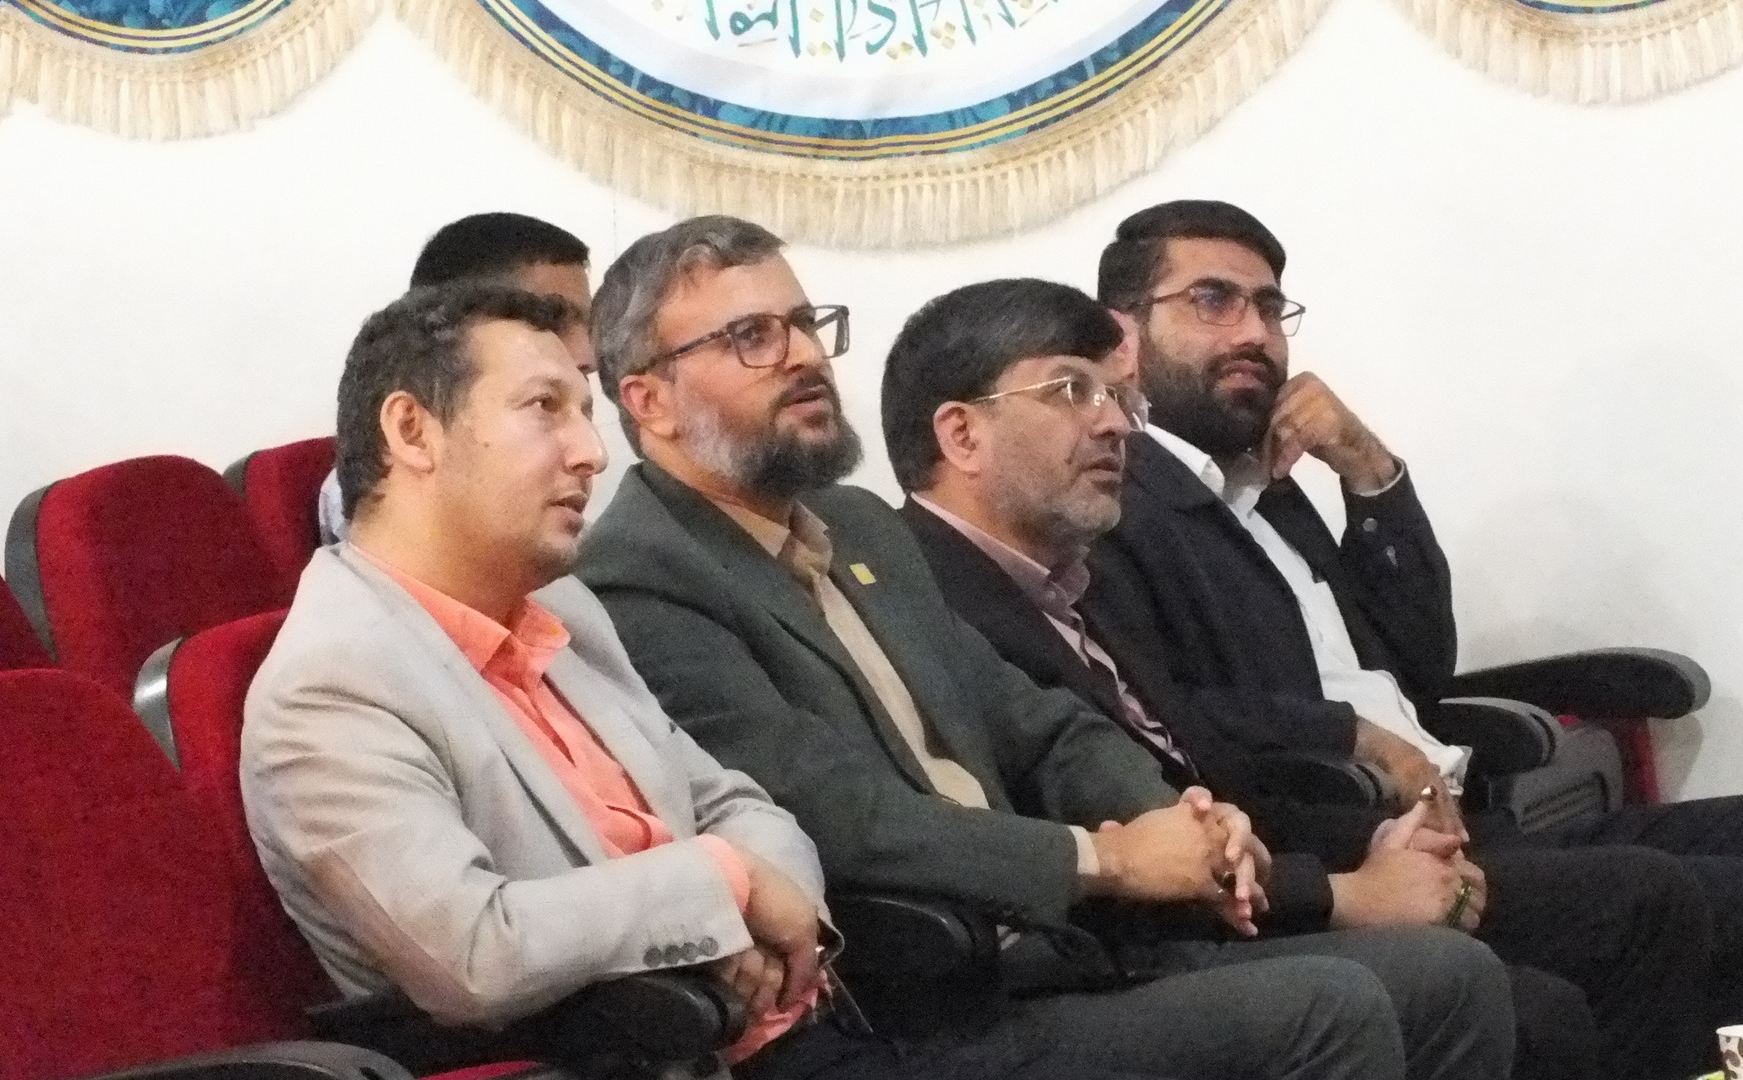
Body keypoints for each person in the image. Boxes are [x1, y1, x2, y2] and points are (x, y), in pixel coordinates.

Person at [573, 215, 1516, 1080]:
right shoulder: (640, 577)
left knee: (1448, 978)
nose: (804, 356)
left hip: (1036, 953)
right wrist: (1107, 859)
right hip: (899, 1007)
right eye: (751, 337)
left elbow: (1039, 720)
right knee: (1330, 1009)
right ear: (649, 400)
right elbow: (840, 814)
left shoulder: (856, 527)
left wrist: (1175, 819)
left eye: (805, 324)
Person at [243, 283, 1164, 1080]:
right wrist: (722, 885)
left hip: (800, 1029)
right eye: (544, 408)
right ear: (412, 430)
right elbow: (475, 951)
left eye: (585, 413)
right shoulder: (333, 686)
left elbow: (733, 798)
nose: (590, 452)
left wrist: (758, 899)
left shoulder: (562, 611)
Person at [1085, 199, 1743, 1080]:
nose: (1253, 333)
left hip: (1459, 809)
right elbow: (1168, 711)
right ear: (1123, 337)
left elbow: (1421, 663)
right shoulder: (1121, 502)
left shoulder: (1267, 483)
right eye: (1213, 300)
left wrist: (1369, 469)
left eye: (1270, 308)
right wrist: (1359, 737)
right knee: (1689, 900)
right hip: (1347, 835)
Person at [882, 276, 1598, 1080]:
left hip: (1239, 884)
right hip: (1109, 949)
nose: (1114, 423)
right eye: (1072, 391)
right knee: (1491, 990)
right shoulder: (920, 595)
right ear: (962, 434)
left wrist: (1380, 847)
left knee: (1581, 951)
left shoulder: (1082, 582)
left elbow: (1216, 768)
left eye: (1117, 397)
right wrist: (1345, 892)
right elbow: (1095, 846)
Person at [317, 212, 595, 542]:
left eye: (589, 325)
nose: (587, 355)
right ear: (411, 430)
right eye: (549, 319)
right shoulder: (377, 535)